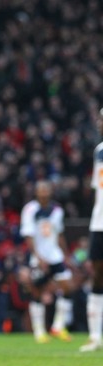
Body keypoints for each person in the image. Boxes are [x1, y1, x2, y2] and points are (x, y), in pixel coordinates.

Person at [20, 180, 75, 343]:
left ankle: (58, 327)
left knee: (67, 287)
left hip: (55, 255)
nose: (44, 193)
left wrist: (66, 254)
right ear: (36, 193)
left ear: (50, 192)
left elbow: (59, 234)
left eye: (46, 190)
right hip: (39, 257)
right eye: (41, 190)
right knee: (37, 291)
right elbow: (28, 235)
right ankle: (39, 332)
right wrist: (37, 257)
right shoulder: (30, 210)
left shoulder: (57, 210)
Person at [81, 108, 103, 352]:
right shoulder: (99, 151)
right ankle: (95, 337)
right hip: (99, 221)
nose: (99, 124)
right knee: (97, 274)